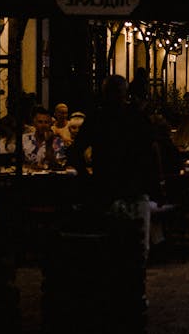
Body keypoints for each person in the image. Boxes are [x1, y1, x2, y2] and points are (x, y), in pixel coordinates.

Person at [67, 74, 161, 267]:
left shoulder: (98, 118)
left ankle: (119, 285)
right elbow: (152, 151)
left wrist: (86, 178)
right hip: (130, 187)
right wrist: (156, 183)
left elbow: (76, 152)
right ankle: (133, 287)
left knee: (113, 243)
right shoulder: (135, 117)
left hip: (108, 187)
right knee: (137, 245)